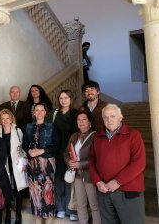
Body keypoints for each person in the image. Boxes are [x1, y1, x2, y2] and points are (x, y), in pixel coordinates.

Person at [89, 104, 146, 224]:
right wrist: (98, 182)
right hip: (104, 191)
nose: (109, 120)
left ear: (120, 117)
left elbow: (139, 163)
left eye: (112, 116)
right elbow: (92, 161)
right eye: (105, 117)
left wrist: (117, 181)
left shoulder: (133, 135)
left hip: (128, 191)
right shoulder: (97, 137)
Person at [23, 103, 59, 223]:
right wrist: (29, 151)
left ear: (45, 112)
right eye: (36, 110)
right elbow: (24, 144)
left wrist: (42, 150)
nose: (39, 112)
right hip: (33, 164)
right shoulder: (28, 127)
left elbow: (57, 145)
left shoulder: (52, 126)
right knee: (35, 194)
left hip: (47, 163)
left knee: (48, 192)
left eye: (41, 110)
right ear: (34, 113)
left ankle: (48, 220)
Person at [65, 110, 101, 224]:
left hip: (90, 175)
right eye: (79, 120)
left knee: (94, 204)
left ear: (90, 122)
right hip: (77, 175)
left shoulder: (96, 136)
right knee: (80, 204)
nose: (81, 122)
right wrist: (69, 161)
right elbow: (66, 153)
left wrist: (81, 164)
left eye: (84, 119)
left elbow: (98, 157)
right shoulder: (74, 136)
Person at [50, 90, 78, 221]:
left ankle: (71, 209)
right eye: (61, 98)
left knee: (70, 182)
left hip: (72, 153)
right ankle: (60, 208)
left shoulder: (75, 114)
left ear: (70, 99)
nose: (63, 100)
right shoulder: (54, 113)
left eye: (66, 97)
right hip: (58, 153)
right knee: (59, 181)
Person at [0, 109, 28, 224]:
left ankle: (18, 215)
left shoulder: (18, 131)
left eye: (7, 118)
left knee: (18, 189)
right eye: (3, 119)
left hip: (16, 164)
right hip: (4, 165)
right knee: (6, 189)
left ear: (11, 119)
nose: (5, 121)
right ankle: (8, 214)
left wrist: (24, 161)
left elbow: (23, 147)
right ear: (0, 120)